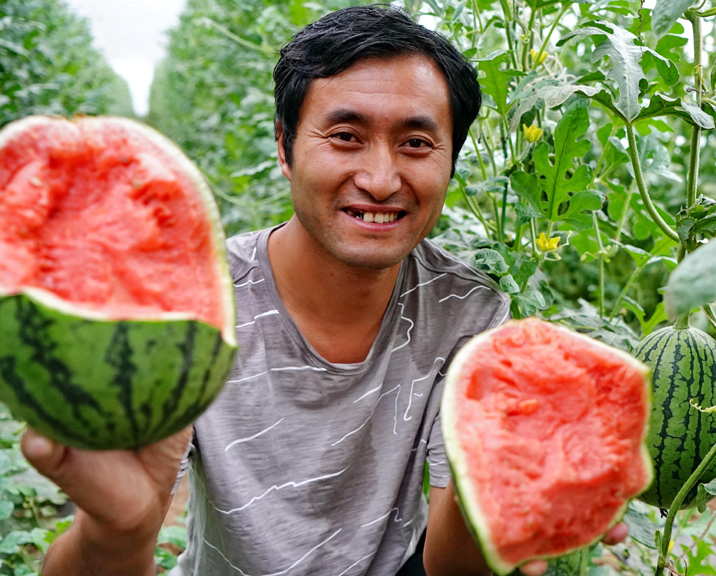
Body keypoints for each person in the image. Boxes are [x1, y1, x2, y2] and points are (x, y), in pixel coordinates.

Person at [20, 6, 626, 576]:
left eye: (416, 143)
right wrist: (119, 531)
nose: (381, 180)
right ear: (285, 147)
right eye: (345, 136)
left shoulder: (468, 311)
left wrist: (490, 493)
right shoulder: (197, 307)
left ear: (450, 163)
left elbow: (450, 566)